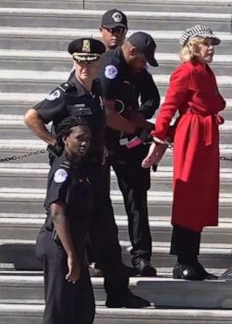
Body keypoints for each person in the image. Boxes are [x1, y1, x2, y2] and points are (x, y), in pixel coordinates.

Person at [24, 38, 150, 308]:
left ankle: (117, 292)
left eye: (90, 63)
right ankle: (68, 296)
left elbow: (101, 118)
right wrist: (53, 142)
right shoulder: (66, 92)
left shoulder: (96, 90)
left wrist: (123, 134)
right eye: (80, 62)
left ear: (99, 64)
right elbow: (31, 117)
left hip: (97, 177)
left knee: (108, 238)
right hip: (73, 181)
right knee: (70, 236)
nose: (84, 67)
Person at [142, 24, 226, 280]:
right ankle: (184, 259)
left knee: (200, 196)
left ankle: (192, 257)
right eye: (206, 43)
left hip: (204, 133)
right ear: (193, 45)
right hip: (192, 133)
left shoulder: (205, 71)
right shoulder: (186, 71)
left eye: (212, 44)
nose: (211, 48)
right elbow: (169, 105)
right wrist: (159, 137)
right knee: (189, 194)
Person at [99, 31, 160, 276]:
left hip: (130, 143)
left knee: (137, 201)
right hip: (103, 140)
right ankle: (101, 257)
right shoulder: (109, 67)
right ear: (132, 51)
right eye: (143, 60)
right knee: (99, 202)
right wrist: (133, 124)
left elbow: (152, 97)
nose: (144, 66)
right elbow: (104, 109)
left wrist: (141, 115)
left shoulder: (137, 69)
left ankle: (142, 257)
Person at [36, 116, 94, 324]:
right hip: (58, 245)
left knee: (84, 308)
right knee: (58, 308)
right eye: (79, 138)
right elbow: (57, 212)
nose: (85, 143)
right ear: (65, 138)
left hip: (73, 243)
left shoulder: (79, 167)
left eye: (88, 138)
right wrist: (71, 255)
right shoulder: (63, 170)